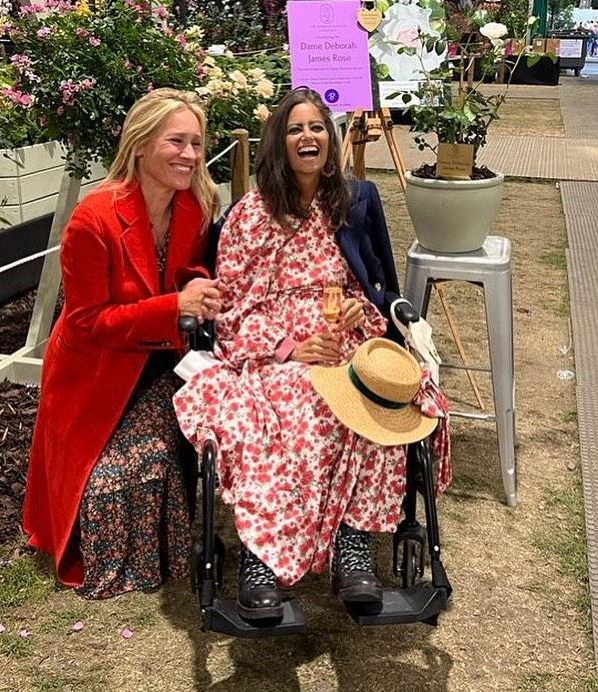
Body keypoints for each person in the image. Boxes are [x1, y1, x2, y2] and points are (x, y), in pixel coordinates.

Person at [174, 87, 451, 621]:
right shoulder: (250, 216)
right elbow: (232, 308)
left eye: (317, 127)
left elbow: (370, 286)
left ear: (331, 138)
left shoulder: (347, 206)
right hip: (274, 350)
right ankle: (262, 557)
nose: (308, 137)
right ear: (278, 144)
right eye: (296, 129)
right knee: (292, 402)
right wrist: (289, 347)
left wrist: (355, 310)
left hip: (342, 341)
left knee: (379, 402)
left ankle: (351, 546)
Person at [23, 88, 223, 598]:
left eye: (197, 143)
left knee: (142, 463)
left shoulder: (195, 206)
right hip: (95, 375)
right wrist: (173, 306)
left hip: (162, 363)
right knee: (103, 486)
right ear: (139, 145)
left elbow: (190, 270)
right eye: (175, 141)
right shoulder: (93, 219)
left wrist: (194, 287)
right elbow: (89, 322)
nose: (190, 155)